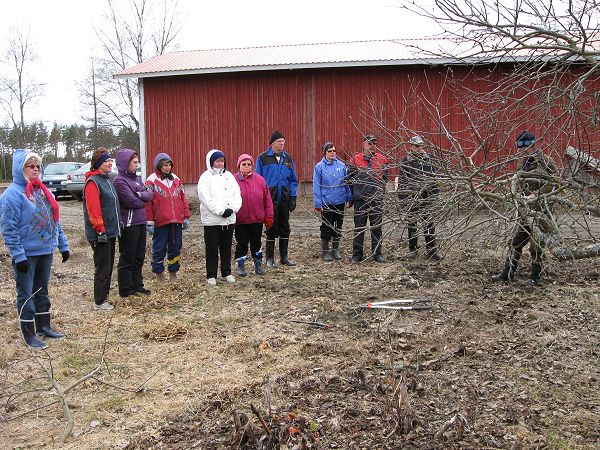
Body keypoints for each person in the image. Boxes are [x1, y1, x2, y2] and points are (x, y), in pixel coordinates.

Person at [0, 149, 70, 349]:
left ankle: (44, 326)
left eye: (37, 166)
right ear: (20, 169)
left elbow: (55, 221)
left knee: (42, 290)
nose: (35, 169)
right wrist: (18, 254)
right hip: (26, 255)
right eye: (30, 166)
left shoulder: (42, 191)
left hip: (45, 251)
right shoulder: (12, 195)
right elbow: (8, 227)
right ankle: (29, 334)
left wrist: (63, 245)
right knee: (26, 293)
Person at [491, 131, 558, 286]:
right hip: (525, 211)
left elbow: (555, 183)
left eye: (525, 148)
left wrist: (536, 195)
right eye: (520, 149)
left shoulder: (546, 162)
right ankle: (507, 273)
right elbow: (518, 181)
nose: (522, 152)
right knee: (515, 242)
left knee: (536, 246)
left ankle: (535, 277)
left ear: (534, 145)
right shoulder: (523, 162)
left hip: (541, 211)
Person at [83, 148, 122, 311]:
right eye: (106, 161)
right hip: (101, 234)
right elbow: (94, 209)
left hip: (111, 231)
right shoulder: (93, 182)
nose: (110, 163)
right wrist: (100, 230)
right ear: (98, 163)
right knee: (103, 267)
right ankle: (99, 301)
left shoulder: (106, 179)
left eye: (111, 160)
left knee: (108, 265)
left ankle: (104, 297)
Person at [197, 149, 242, 285]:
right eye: (217, 161)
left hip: (228, 219)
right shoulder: (205, 177)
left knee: (226, 247)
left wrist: (232, 209)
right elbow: (206, 198)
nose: (220, 163)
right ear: (211, 162)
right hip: (212, 220)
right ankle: (211, 274)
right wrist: (220, 211)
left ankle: (226, 272)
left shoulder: (229, 176)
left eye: (222, 161)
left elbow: (237, 194)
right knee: (212, 248)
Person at [255, 130, 299, 267]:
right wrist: (261, 199)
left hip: (285, 198)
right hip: (270, 198)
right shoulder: (262, 159)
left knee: (285, 226)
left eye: (283, 141)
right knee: (271, 228)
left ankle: (284, 257)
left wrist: (293, 196)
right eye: (279, 141)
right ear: (272, 143)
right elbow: (258, 180)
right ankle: (269, 258)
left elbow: (293, 179)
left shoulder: (288, 158)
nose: (282, 144)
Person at [113, 149, 153, 297]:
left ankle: (137, 285)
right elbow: (131, 201)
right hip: (129, 225)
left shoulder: (136, 179)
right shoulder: (119, 181)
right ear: (126, 163)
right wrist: (142, 197)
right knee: (127, 257)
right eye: (134, 162)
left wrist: (140, 195)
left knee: (139, 256)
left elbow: (150, 194)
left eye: (137, 162)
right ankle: (125, 289)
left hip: (141, 221)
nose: (137, 165)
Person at [145, 152, 190, 281]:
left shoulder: (176, 179)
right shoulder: (151, 180)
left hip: (176, 221)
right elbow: (147, 204)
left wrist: (185, 216)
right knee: (159, 248)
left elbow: (183, 199)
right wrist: (149, 222)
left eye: (169, 164)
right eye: (164, 165)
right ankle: (159, 273)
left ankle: (173, 272)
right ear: (158, 166)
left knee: (175, 247)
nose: (167, 167)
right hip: (160, 222)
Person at [396, 136, 442, 260]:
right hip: (412, 198)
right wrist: (403, 200)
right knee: (412, 225)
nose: (419, 148)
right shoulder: (406, 160)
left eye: (421, 146)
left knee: (429, 225)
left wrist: (435, 195)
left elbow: (434, 178)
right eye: (416, 146)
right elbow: (402, 182)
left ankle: (432, 250)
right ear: (411, 146)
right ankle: (413, 249)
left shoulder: (429, 159)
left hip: (427, 198)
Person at [347, 134, 389, 263]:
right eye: (370, 143)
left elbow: (384, 179)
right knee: (359, 227)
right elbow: (349, 179)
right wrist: (355, 195)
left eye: (374, 144)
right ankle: (357, 254)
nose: (372, 146)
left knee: (377, 227)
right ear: (363, 144)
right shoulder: (355, 160)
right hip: (360, 199)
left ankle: (377, 253)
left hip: (376, 199)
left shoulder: (382, 160)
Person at [234, 154, 274, 276]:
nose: (246, 166)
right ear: (239, 166)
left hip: (257, 219)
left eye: (249, 164)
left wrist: (269, 216)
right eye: (243, 164)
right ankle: (241, 265)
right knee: (242, 243)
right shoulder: (233, 180)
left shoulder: (260, 180)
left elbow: (267, 199)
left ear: (252, 165)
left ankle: (258, 264)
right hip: (241, 220)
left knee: (256, 242)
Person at [313, 141, 352, 261]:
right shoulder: (319, 167)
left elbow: (346, 182)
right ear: (325, 153)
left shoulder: (341, 165)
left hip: (340, 200)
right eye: (330, 151)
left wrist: (349, 197)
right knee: (327, 226)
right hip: (327, 202)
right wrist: (318, 202)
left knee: (338, 225)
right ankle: (325, 251)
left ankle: (335, 249)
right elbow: (316, 185)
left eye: (334, 151)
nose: (332, 153)